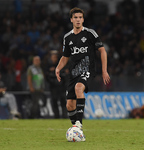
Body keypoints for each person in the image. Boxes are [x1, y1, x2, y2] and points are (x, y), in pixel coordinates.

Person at [55, 7, 110, 141]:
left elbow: (102, 51)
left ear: (83, 19)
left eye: (80, 17)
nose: (78, 20)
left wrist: (104, 70)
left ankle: (78, 124)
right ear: (71, 20)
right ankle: (77, 130)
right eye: (76, 17)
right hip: (73, 73)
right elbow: (65, 56)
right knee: (69, 105)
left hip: (87, 70)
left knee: (79, 88)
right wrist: (58, 68)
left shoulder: (90, 33)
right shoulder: (67, 37)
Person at [45, 50, 68, 119]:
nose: (55, 58)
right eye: (53, 56)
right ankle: (56, 116)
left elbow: (65, 74)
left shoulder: (60, 65)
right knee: (54, 101)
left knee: (63, 101)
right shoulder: (48, 65)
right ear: (51, 57)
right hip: (53, 87)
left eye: (55, 56)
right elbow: (46, 77)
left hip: (61, 86)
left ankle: (64, 116)